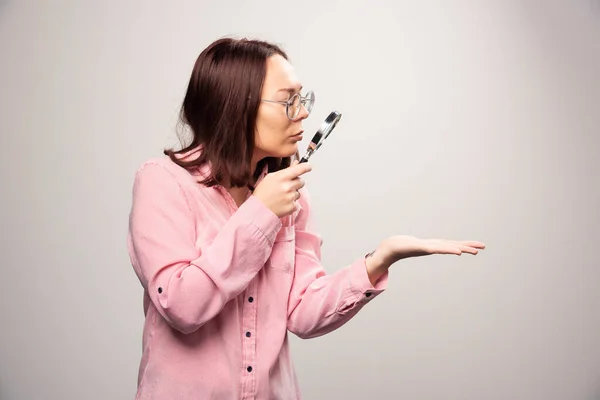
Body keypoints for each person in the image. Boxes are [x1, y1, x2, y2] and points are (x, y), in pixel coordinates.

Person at [126, 37, 485, 400]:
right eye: (287, 101)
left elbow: (300, 312)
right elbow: (182, 305)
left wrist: (378, 261)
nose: (302, 113)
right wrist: (260, 214)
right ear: (236, 106)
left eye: (302, 98)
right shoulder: (163, 182)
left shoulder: (289, 198)